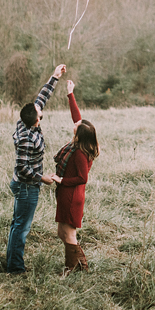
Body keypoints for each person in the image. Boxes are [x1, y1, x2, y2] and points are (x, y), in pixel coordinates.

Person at [5, 63, 66, 275]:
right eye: (40, 116)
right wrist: (43, 178)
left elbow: (41, 99)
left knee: (18, 224)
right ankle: (15, 268)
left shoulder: (26, 121)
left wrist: (54, 77)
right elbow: (22, 168)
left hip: (27, 186)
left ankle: (12, 263)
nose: (42, 115)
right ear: (34, 122)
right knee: (22, 228)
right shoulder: (25, 138)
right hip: (26, 187)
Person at [48, 77, 99, 275]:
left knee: (68, 235)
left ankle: (77, 267)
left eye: (76, 129)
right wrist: (70, 93)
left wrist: (61, 180)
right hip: (69, 194)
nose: (74, 126)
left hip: (72, 196)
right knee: (63, 232)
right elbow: (77, 118)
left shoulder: (79, 153)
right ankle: (75, 266)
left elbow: (83, 178)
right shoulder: (83, 143)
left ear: (80, 136)